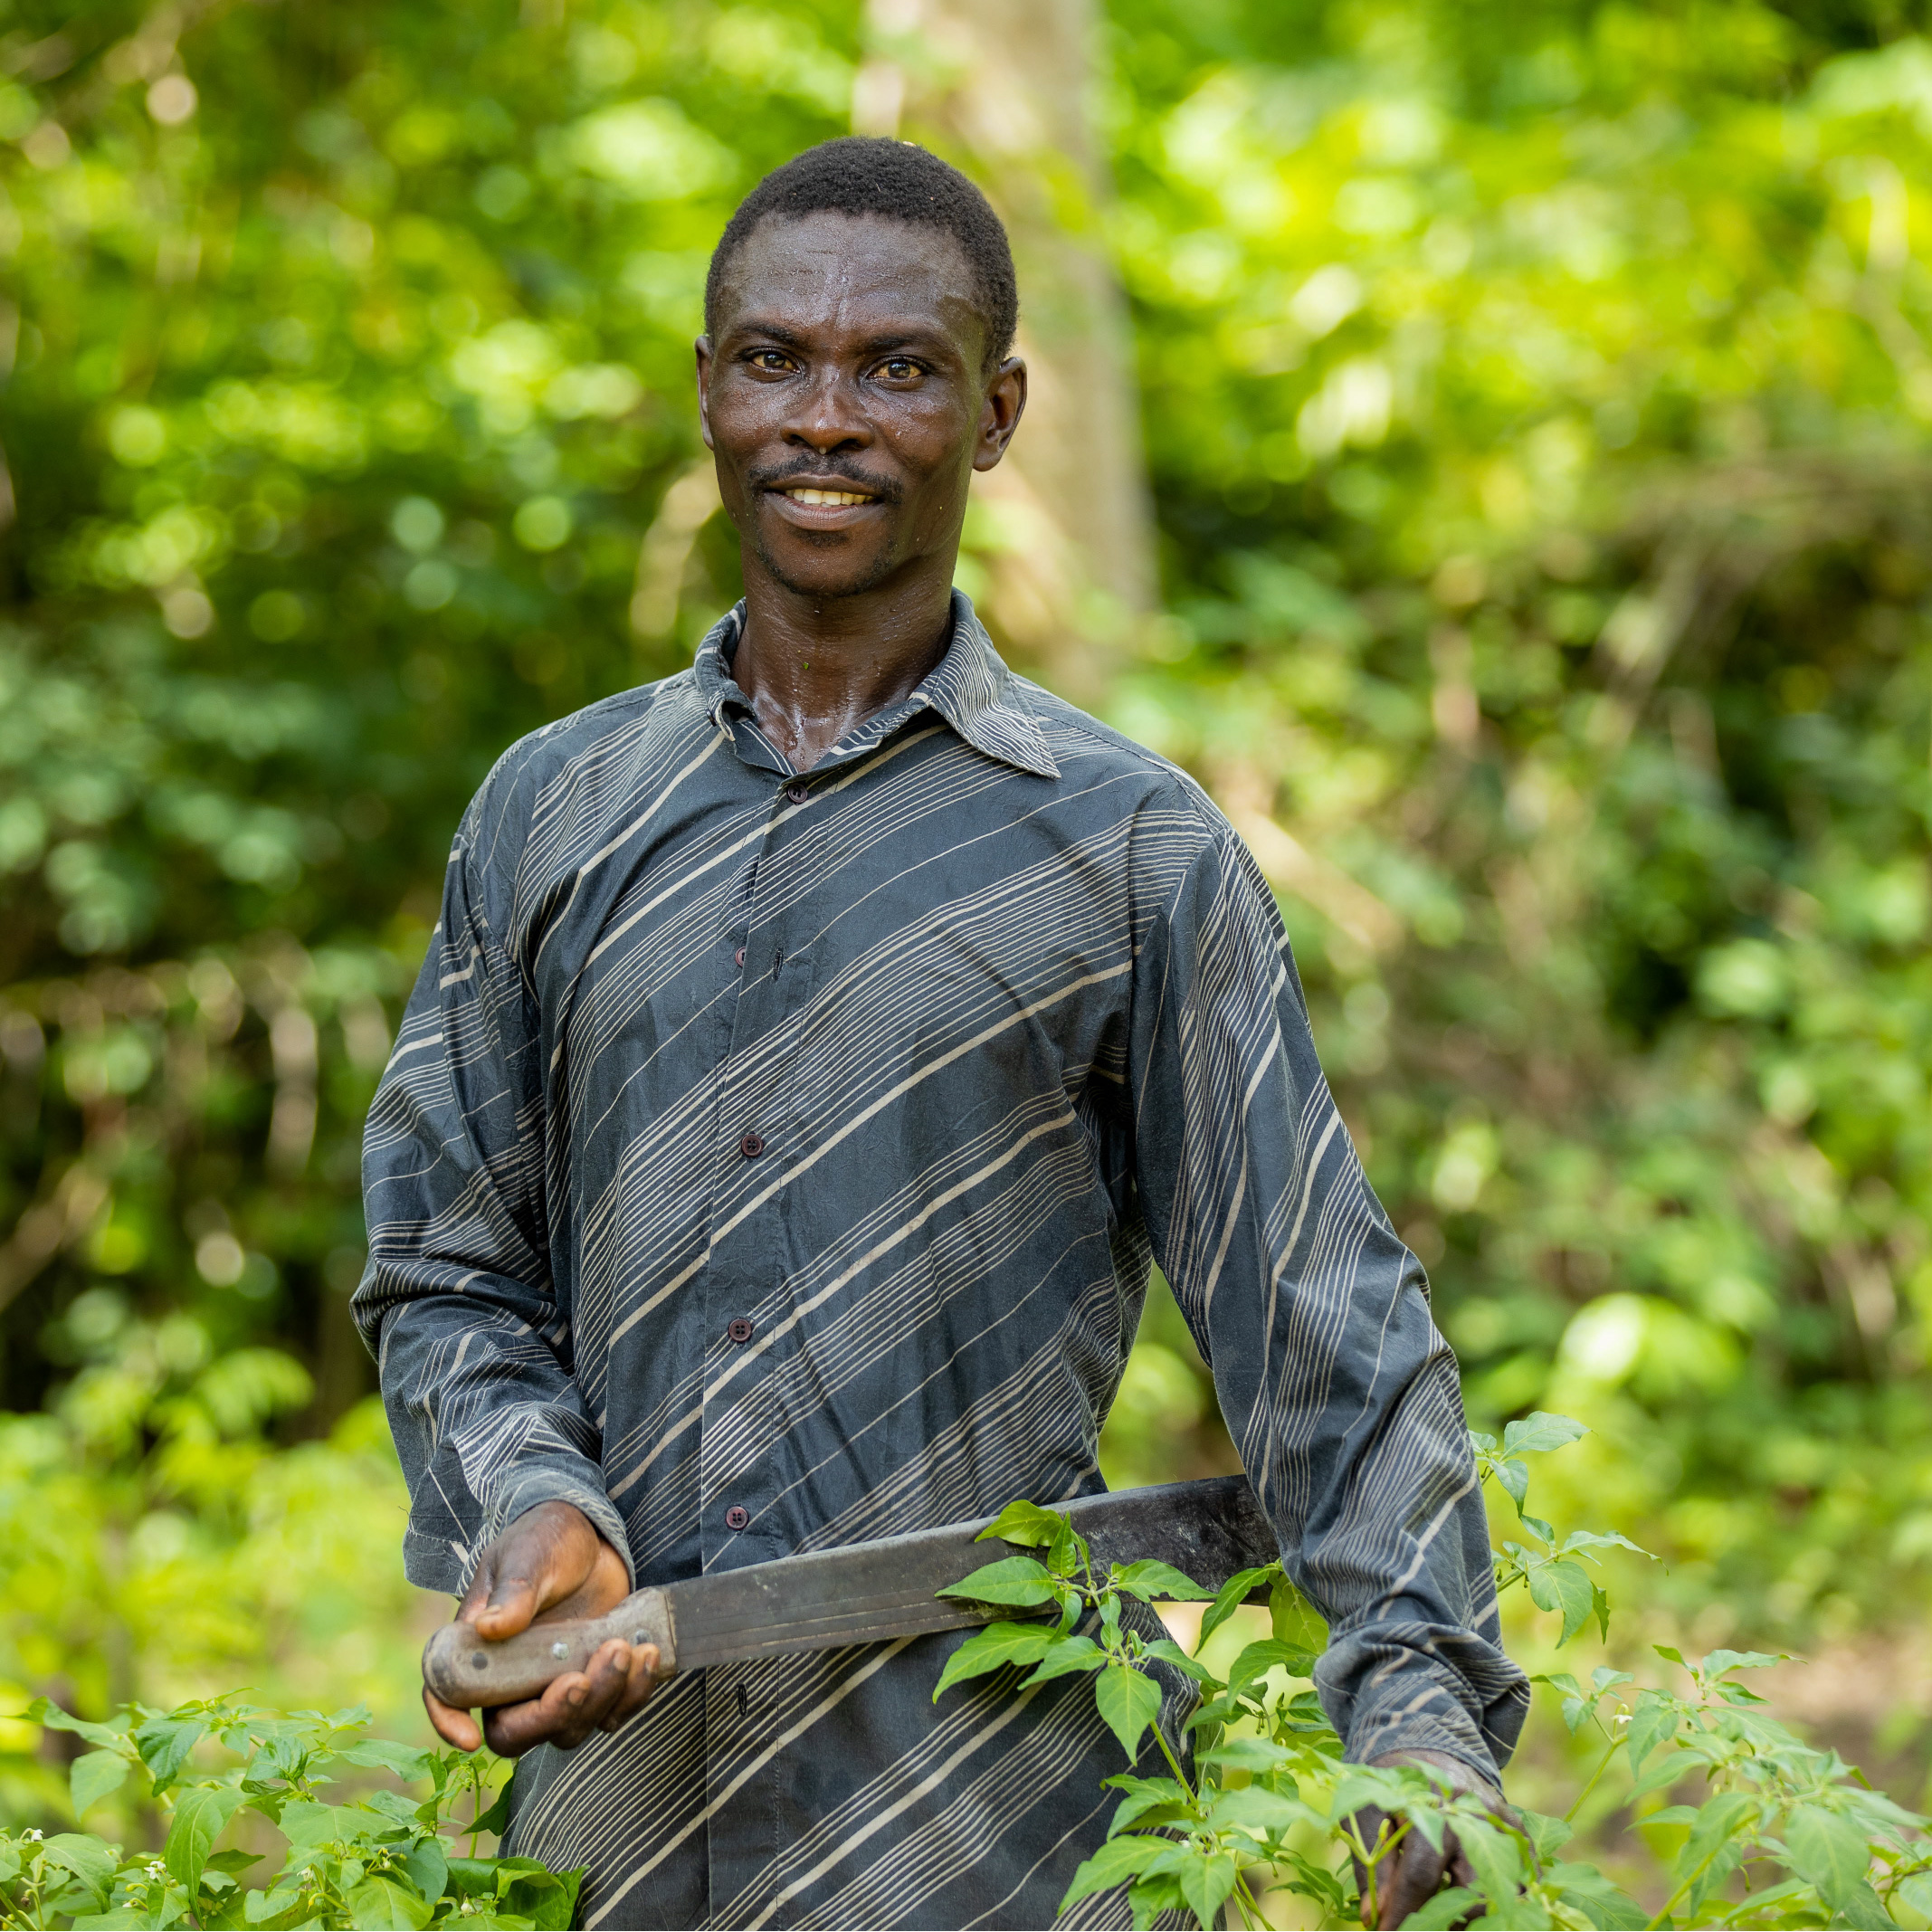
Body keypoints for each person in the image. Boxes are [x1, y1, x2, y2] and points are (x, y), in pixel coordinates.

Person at [354, 136, 1527, 1931]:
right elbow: (445, 1263)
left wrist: (1423, 1725)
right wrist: (529, 1495)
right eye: (773, 360)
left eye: (896, 369)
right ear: (707, 386)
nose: (824, 419)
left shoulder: (1129, 851)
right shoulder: (551, 813)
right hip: (614, 1822)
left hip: (1002, 1830)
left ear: (993, 414)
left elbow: (1327, 1336)